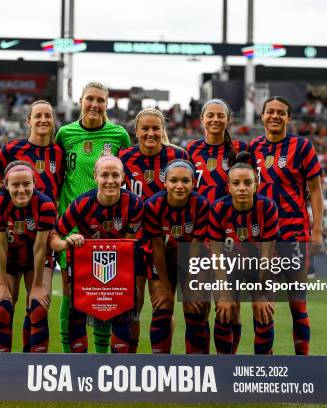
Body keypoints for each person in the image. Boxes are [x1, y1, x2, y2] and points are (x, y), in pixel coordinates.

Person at [55, 82, 132, 353]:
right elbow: (58, 175)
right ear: (80, 100)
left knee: (104, 292)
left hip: (107, 228)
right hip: (72, 224)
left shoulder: (119, 134)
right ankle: (70, 357)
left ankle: (101, 359)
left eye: (100, 100)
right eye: (90, 99)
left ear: (107, 104)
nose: (95, 104)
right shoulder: (65, 134)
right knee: (69, 291)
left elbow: (126, 176)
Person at [249, 96, 324, 355]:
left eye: (281, 112)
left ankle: (302, 364)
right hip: (262, 238)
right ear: (262, 116)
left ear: (288, 118)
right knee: (262, 302)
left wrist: (317, 230)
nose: (275, 116)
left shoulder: (302, 147)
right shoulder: (254, 148)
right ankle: (264, 364)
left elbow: (315, 190)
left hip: (294, 236)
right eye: (270, 111)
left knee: (297, 304)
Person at [49, 156, 143, 353]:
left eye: (115, 175)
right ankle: (79, 365)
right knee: (78, 312)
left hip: (118, 268)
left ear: (123, 177)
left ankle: (118, 368)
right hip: (86, 268)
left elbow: (128, 244)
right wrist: (67, 242)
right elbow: (54, 237)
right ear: (95, 177)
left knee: (122, 313)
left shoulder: (134, 204)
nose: (110, 180)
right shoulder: (82, 204)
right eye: (104, 175)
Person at [119, 107, 188, 353]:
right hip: (135, 242)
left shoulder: (178, 156)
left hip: (169, 243)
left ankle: (162, 361)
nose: (150, 133)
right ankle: (130, 362)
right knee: (132, 306)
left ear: (163, 130)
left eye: (155, 128)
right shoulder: (124, 157)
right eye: (145, 128)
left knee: (164, 303)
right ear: (136, 131)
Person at [0, 100, 64, 350]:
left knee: (36, 305)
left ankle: (29, 366)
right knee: (3, 306)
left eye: (48, 115)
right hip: (12, 235)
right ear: (29, 121)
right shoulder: (11, 149)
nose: (43, 120)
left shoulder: (59, 152)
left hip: (43, 233)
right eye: (38, 116)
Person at [209, 151, 279, 355]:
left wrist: (260, 293)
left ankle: (263, 369)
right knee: (224, 311)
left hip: (261, 269)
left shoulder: (267, 207)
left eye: (247, 183)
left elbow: (267, 254)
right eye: (236, 183)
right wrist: (223, 292)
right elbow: (216, 253)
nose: (242, 188)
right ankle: (225, 367)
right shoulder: (219, 208)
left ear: (256, 184)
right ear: (228, 187)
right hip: (229, 269)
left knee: (263, 312)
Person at [0, 161, 56, 352]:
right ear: (6, 184)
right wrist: (0, 284)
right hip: (6, 259)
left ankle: (33, 366)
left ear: (34, 183)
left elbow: (40, 247)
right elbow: (0, 245)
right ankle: (4, 367)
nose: (21, 190)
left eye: (26, 184)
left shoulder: (45, 204)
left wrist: (38, 287)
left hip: (36, 259)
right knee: (1, 307)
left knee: (38, 306)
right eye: (15, 185)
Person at [143, 160, 211, 354]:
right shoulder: (153, 205)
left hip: (193, 262)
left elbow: (196, 248)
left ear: (193, 182)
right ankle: (161, 365)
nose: (179, 186)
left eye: (185, 181)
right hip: (163, 259)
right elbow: (157, 249)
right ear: (165, 181)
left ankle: (198, 368)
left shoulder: (201, 204)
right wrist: (163, 286)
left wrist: (190, 285)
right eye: (174, 180)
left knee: (195, 306)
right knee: (163, 304)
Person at [186, 99, 247, 203]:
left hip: (229, 215)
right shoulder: (191, 148)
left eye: (220, 116)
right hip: (199, 214)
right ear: (202, 118)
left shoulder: (240, 147)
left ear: (228, 119)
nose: (215, 119)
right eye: (210, 115)